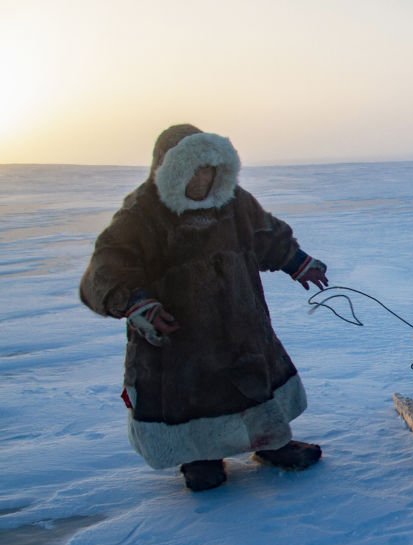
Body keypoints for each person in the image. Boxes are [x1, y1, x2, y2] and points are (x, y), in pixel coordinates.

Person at [80, 124, 330, 491]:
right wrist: (137, 303)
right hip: (180, 333)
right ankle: (199, 457)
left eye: (211, 171)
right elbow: (106, 269)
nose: (204, 179)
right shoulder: (143, 213)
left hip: (241, 321)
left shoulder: (233, 202)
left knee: (253, 382)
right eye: (195, 171)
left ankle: (272, 444)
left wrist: (297, 261)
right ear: (171, 171)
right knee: (191, 392)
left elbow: (266, 235)